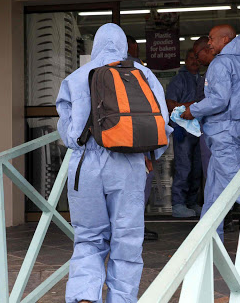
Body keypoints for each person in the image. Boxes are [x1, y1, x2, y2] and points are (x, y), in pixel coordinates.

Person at [56, 23, 172, 303]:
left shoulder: (75, 78)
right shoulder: (143, 75)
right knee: (127, 241)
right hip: (128, 165)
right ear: (123, 46)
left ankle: (84, 297)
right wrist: (149, 156)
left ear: (95, 45)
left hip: (86, 165)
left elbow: (68, 133)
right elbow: (162, 124)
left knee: (88, 238)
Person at [181, 25, 240, 241]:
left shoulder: (221, 63)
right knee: (214, 193)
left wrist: (192, 111)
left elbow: (218, 100)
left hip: (224, 133)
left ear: (226, 40)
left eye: (211, 38)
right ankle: (208, 238)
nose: (209, 43)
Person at [126, 35, 158, 241]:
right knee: (141, 180)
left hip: (111, 137)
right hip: (138, 133)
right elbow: (154, 103)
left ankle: (124, 229)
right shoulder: (138, 69)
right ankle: (136, 227)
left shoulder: (99, 68)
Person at [165, 49, 203, 217]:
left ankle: (192, 202)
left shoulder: (203, 80)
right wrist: (194, 104)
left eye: (196, 57)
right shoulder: (178, 80)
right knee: (184, 167)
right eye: (191, 57)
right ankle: (178, 204)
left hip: (200, 131)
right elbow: (169, 104)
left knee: (197, 169)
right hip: (183, 131)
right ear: (185, 61)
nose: (194, 61)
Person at [192, 37, 214, 182]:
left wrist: (192, 110)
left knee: (216, 174)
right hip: (208, 128)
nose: (197, 59)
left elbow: (215, 101)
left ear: (205, 50)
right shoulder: (209, 71)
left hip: (215, 128)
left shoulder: (217, 69)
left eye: (197, 54)